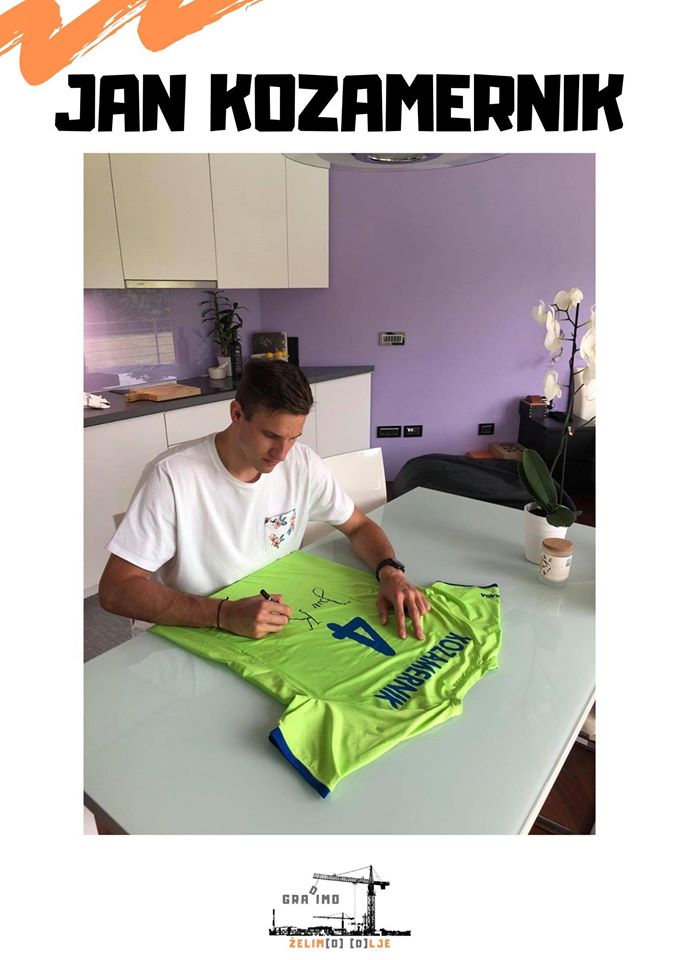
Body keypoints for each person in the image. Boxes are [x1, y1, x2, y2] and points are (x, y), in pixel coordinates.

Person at [99, 360, 430, 640]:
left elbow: (358, 526)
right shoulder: (172, 476)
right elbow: (116, 589)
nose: (282, 453)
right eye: (270, 435)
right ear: (237, 413)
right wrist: (223, 614)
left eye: (293, 437)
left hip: (271, 621)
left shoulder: (303, 463)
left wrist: (391, 573)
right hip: (194, 627)